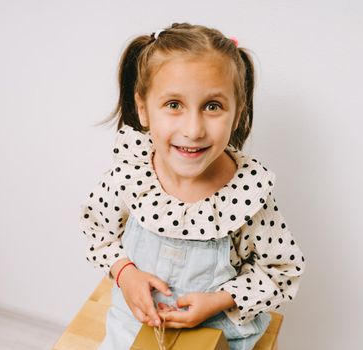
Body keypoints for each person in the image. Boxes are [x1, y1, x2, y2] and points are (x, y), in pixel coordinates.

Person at [80, 22, 305, 350]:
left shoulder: (247, 193)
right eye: (174, 105)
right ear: (143, 109)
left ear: (238, 113)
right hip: (136, 321)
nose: (193, 129)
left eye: (212, 106)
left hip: (220, 332)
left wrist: (220, 300)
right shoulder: (132, 172)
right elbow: (96, 231)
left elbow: (281, 270)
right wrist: (126, 273)